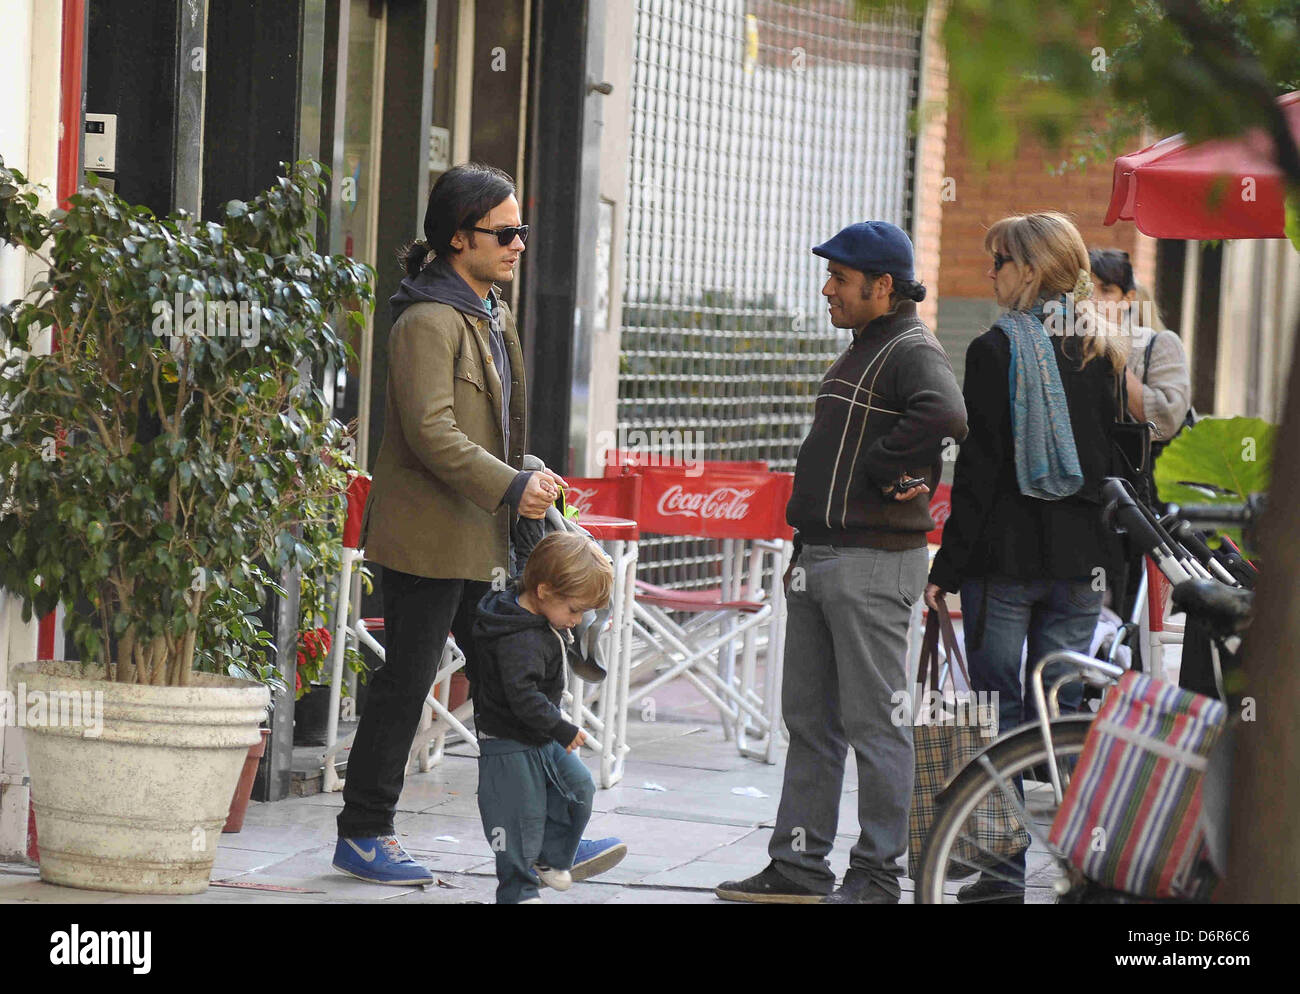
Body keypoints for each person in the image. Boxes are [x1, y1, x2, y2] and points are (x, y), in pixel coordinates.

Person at [333, 162, 573, 884]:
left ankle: (543, 834)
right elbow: (433, 432)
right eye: (505, 232)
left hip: (483, 540)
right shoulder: (426, 320)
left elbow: (494, 427)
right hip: (425, 541)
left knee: (505, 682)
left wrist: (528, 475)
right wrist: (511, 484)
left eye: (520, 231)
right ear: (460, 236)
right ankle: (364, 831)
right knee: (407, 685)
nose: (519, 244)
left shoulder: (492, 316)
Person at [715, 221, 968, 904]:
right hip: (823, 559)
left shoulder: (911, 348)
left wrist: (885, 463)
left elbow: (947, 414)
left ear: (882, 286)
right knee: (812, 726)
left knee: (875, 728)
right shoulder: (867, 346)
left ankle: (879, 876)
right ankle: (798, 868)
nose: (827, 289)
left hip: (872, 564)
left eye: (840, 278)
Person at [924, 212, 1127, 903]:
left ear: (1032, 269)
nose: (992, 274)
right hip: (1081, 567)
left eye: (1000, 261)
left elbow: (978, 472)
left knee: (1000, 716)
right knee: (1062, 724)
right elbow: (1126, 466)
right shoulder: (1103, 348)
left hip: (1004, 564)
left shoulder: (994, 351)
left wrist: (945, 571)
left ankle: (1002, 877)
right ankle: (1085, 873)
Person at [472, 532, 616, 903]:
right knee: (516, 822)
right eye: (574, 610)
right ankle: (518, 891)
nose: (577, 619)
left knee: (579, 789)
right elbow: (523, 697)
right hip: (508, 741)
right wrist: (561, 726)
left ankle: (550, 858)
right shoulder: (518, 638)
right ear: (544, 591)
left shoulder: (540, 616)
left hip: (539, 733)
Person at [1089, 249, 1194, 460]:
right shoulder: (1070, 346)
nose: (1094, 300)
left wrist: (1112, 352)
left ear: (1128, 298)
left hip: (1146, 481)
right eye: (1087, 291)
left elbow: (1165, 420)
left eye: (1106, 290)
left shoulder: (1158, 343)